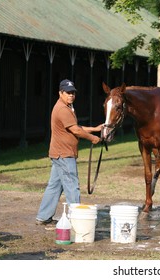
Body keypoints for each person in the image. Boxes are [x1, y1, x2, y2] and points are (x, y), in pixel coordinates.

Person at [36, 79, 103, 227]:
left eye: (73, 92)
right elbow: (76, 130)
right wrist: (93, 138)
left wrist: (95, 129)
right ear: (60, 93)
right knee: (72, 185)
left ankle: (43, 217)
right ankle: (77, 219)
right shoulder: (62, 109)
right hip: (64, 154)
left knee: (54, 186)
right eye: (68, 92)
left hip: (60, 153)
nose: (71, 95)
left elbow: (76, 126)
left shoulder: (67, 107)